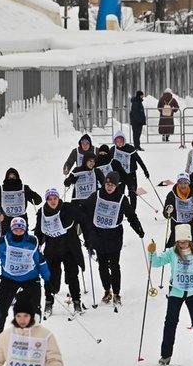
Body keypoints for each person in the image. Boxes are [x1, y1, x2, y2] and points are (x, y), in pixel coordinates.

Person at [147, 224, 193, 365]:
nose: (182, 244)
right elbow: (156, 263)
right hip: (176, 292)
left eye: (185, 242)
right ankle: (165, 355)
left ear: (189, 240)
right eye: (180, 242)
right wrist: (152, 253)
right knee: (170, 323)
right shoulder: (172, 252)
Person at [0, 217, 50, 346]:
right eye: (16, 229)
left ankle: (34, 343)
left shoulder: (32, 241)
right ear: (11, 229)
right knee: (1, 311)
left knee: (34, 310)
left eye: (21, 229)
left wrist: (47, 279)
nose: (18, 231)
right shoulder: (1, 242)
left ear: (25, 229)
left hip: (30, 279)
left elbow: (40, 261)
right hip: (9, 279)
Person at [82, 172, 145, 306]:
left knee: (114, 265)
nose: (109, 187)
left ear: (116, 186)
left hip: (114, 236)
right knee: (102, 266)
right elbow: (84, 209)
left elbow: (131, 215)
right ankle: (107, 290)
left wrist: (138, 228)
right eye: (107, 184)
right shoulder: (97, 195)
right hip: (98, 235)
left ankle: (116, 293)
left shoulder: (121, 199)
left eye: (112, 185)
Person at [34, 188, 88, 316]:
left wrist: (88, 238)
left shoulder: (67, 208)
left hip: (69, 248)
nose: (53, 201)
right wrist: (36, 244)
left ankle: (76, 301)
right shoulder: (42, 212)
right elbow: (38, 230)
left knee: (72, 275)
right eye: (50, 199)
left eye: (55, 199)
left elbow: (83, 219)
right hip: (52, 249)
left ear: (58, 199)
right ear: (47, 200)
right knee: (49, 276)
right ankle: (48, 302)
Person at [110, 130, 150, 211]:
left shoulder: (130, 149)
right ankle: (119, 209)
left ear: (124, 141)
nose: (119, 143)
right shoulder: (113, 150)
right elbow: (108, 162)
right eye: (117, 141)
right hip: (119, 175)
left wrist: (145, 170)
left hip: (130, 174)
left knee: (132, 192)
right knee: (119, 193)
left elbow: (139, 160)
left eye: (121, 141)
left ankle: (132, 210)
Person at [0, 168, 42, 235]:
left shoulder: (23, 188)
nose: (11, 178)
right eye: (9, 177)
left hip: (21, 220)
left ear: (17, 177)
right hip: (5, 221)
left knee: (22, 242)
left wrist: (32, 195)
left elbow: (38, 201)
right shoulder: (1, 189)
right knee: (5, 242)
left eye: (13, 177)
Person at [162, 173, 193, 246]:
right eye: (180, 183)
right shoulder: (172, 195)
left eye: (185, 183)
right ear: (177, 183)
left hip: (191, 226)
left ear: (188, 183)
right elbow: (166, 215)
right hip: (177, 226)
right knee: (173, 249)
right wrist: (168, 211)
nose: (183, 186)